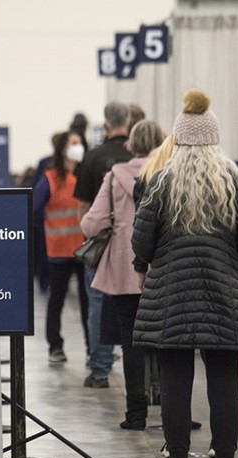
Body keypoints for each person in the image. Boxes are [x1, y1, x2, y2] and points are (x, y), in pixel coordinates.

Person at [132, 90, 238, 458]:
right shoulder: (235, 183)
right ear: (214, 137)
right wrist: (234, 260)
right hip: (225, 295)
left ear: (179, 138)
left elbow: (141, 244)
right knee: (225, 382)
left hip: (173, 295)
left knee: (175, 382)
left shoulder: (161, 183)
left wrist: (164, 257)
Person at [81, 120, 165, 425]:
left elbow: (91, 223)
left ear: (132, 144)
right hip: (163, 267)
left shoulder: (115, 176)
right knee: (168, 340)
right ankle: (170, 408)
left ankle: (136, 412)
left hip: (123, 267)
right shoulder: (169, 173)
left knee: (131, 341)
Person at [74, 102, 134, 387]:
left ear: (106, 126)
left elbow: (84, 206)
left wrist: (88, 237)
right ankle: (148, 376)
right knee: (142, 306)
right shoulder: (139, 156)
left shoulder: (92, 157)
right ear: (130, 122)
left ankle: (100, 369)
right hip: (139, 244)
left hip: (101, 242)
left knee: (98, 302)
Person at [33, 130, 89, 363]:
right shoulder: (50, 178)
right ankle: (55, 345)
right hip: (59, 250)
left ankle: (92, 348)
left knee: (89, 302)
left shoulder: (86, 175)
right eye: (74, 143)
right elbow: (35, 208)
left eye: (79, 143)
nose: (79, 147)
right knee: (57, 299)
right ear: (63, 149)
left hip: (85, 250)